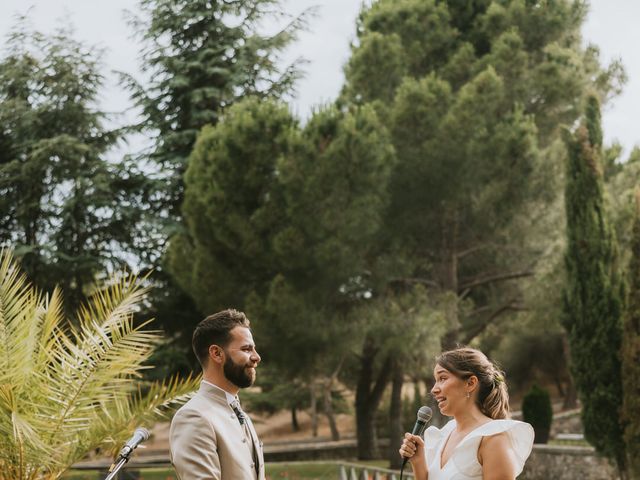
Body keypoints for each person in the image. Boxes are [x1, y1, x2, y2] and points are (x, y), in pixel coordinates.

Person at [399, 347, 534, 480]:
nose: (434, 389)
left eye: (443, 378)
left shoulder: (493, 439)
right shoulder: (444, 435)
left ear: (470, 383)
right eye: (435, 380)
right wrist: (418, 462)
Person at [170, 309, 264, 480]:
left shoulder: (241, 415)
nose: (256, 357)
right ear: (217, 353)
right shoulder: (194, 417)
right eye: (247, 349)